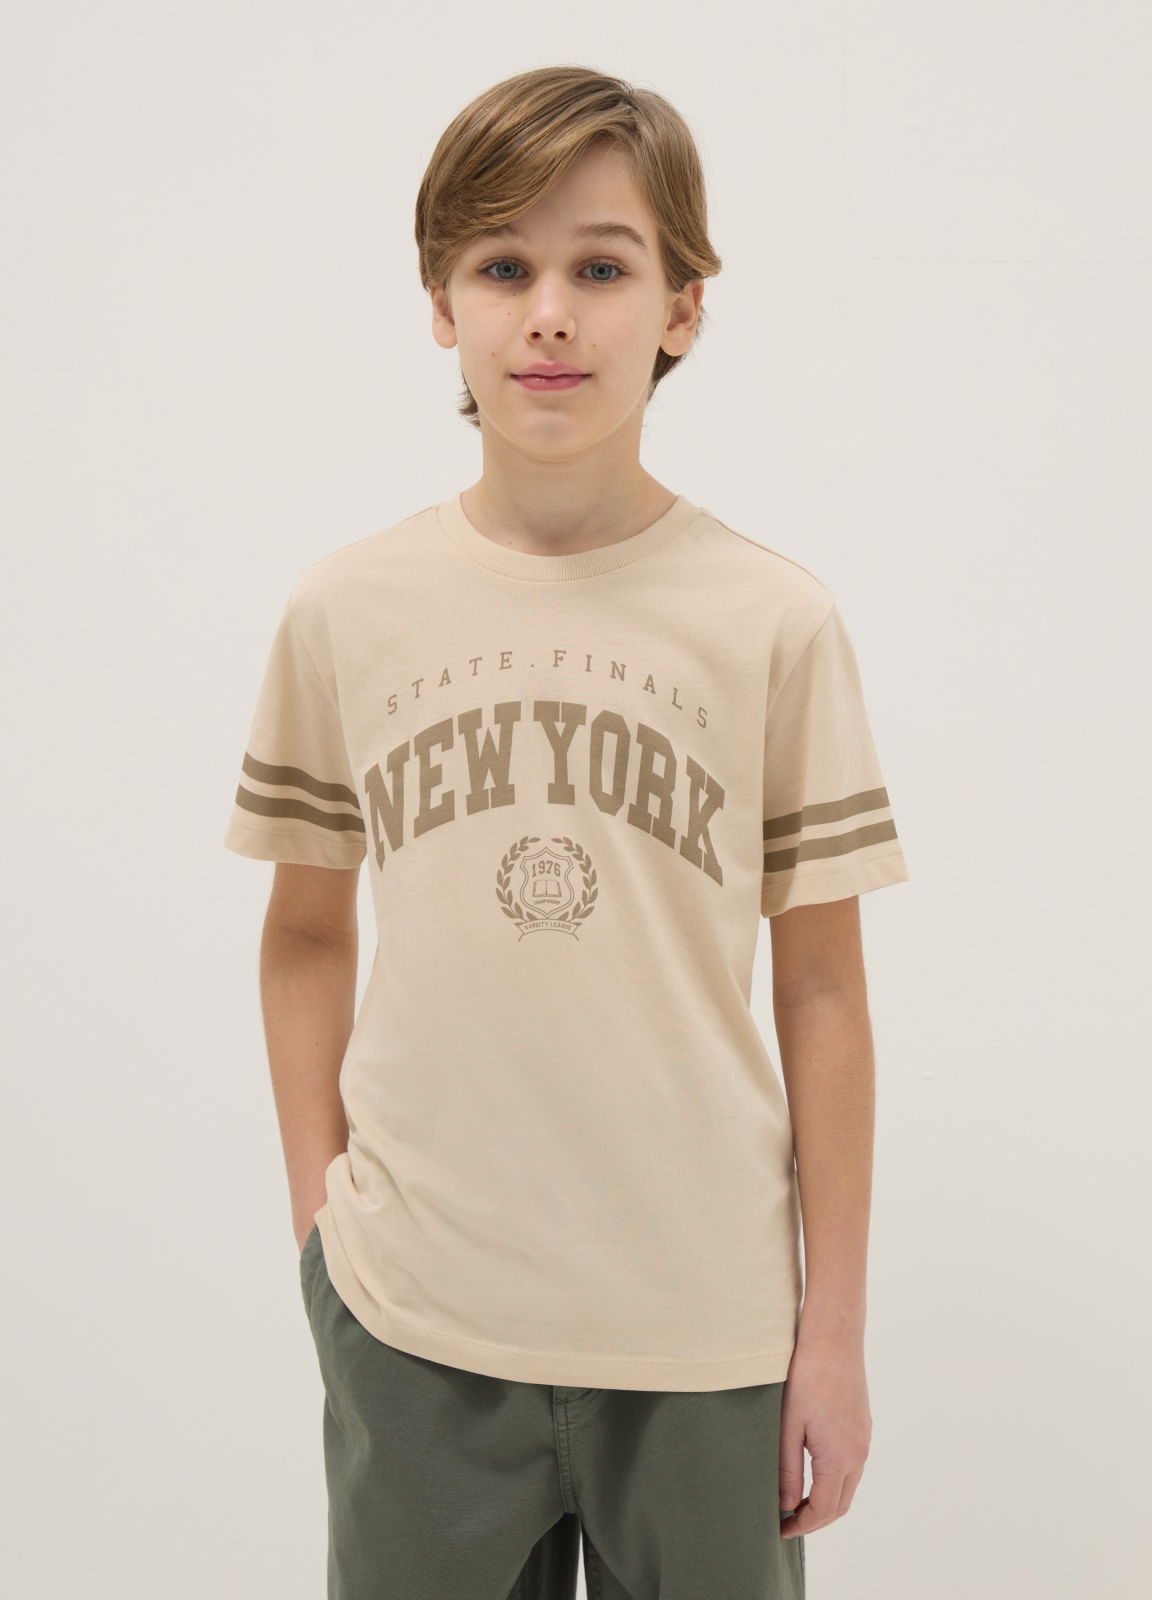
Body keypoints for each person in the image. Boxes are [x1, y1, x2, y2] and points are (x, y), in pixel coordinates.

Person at [222, 64, 910, 1600]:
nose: (549, 315)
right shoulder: (347, 610)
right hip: (418, 1321)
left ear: (683, 307)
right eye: (502, 266)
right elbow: (306, 934)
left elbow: (823, 989)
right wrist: (325, 1231)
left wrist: (834, 1333)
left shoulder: (771, 621)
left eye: (602, 268)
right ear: (440, 301)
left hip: (707, 1333)